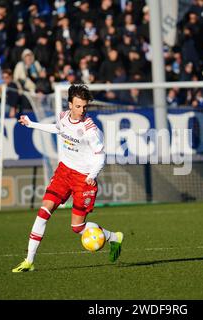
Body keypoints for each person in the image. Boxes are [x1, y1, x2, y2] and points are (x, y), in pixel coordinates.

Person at [12, 84, 124, 272]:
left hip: (83, 179)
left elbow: (101, 156)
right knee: (43, 212)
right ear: (70, 104)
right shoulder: (63, 117)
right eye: (78, 106)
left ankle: (114, 237)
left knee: (77, 228)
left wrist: (92, 175)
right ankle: (29, 261)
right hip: (64, 173)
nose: (82, 110)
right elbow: (58, 129)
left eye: (85, 107)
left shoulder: (90, 129)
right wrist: (32, 124)